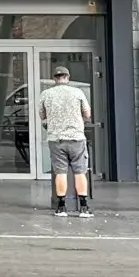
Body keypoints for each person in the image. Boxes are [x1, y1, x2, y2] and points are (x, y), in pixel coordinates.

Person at [37, 63, 93, 217]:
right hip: (76, 138)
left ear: (54, 78)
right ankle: (83, 207)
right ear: (67, 77)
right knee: (80, 172)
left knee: (60, 173)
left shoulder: (46, 94)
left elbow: (42, 116)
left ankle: (61, 207)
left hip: (56, 139)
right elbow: (87, 114)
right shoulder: (78, 92)